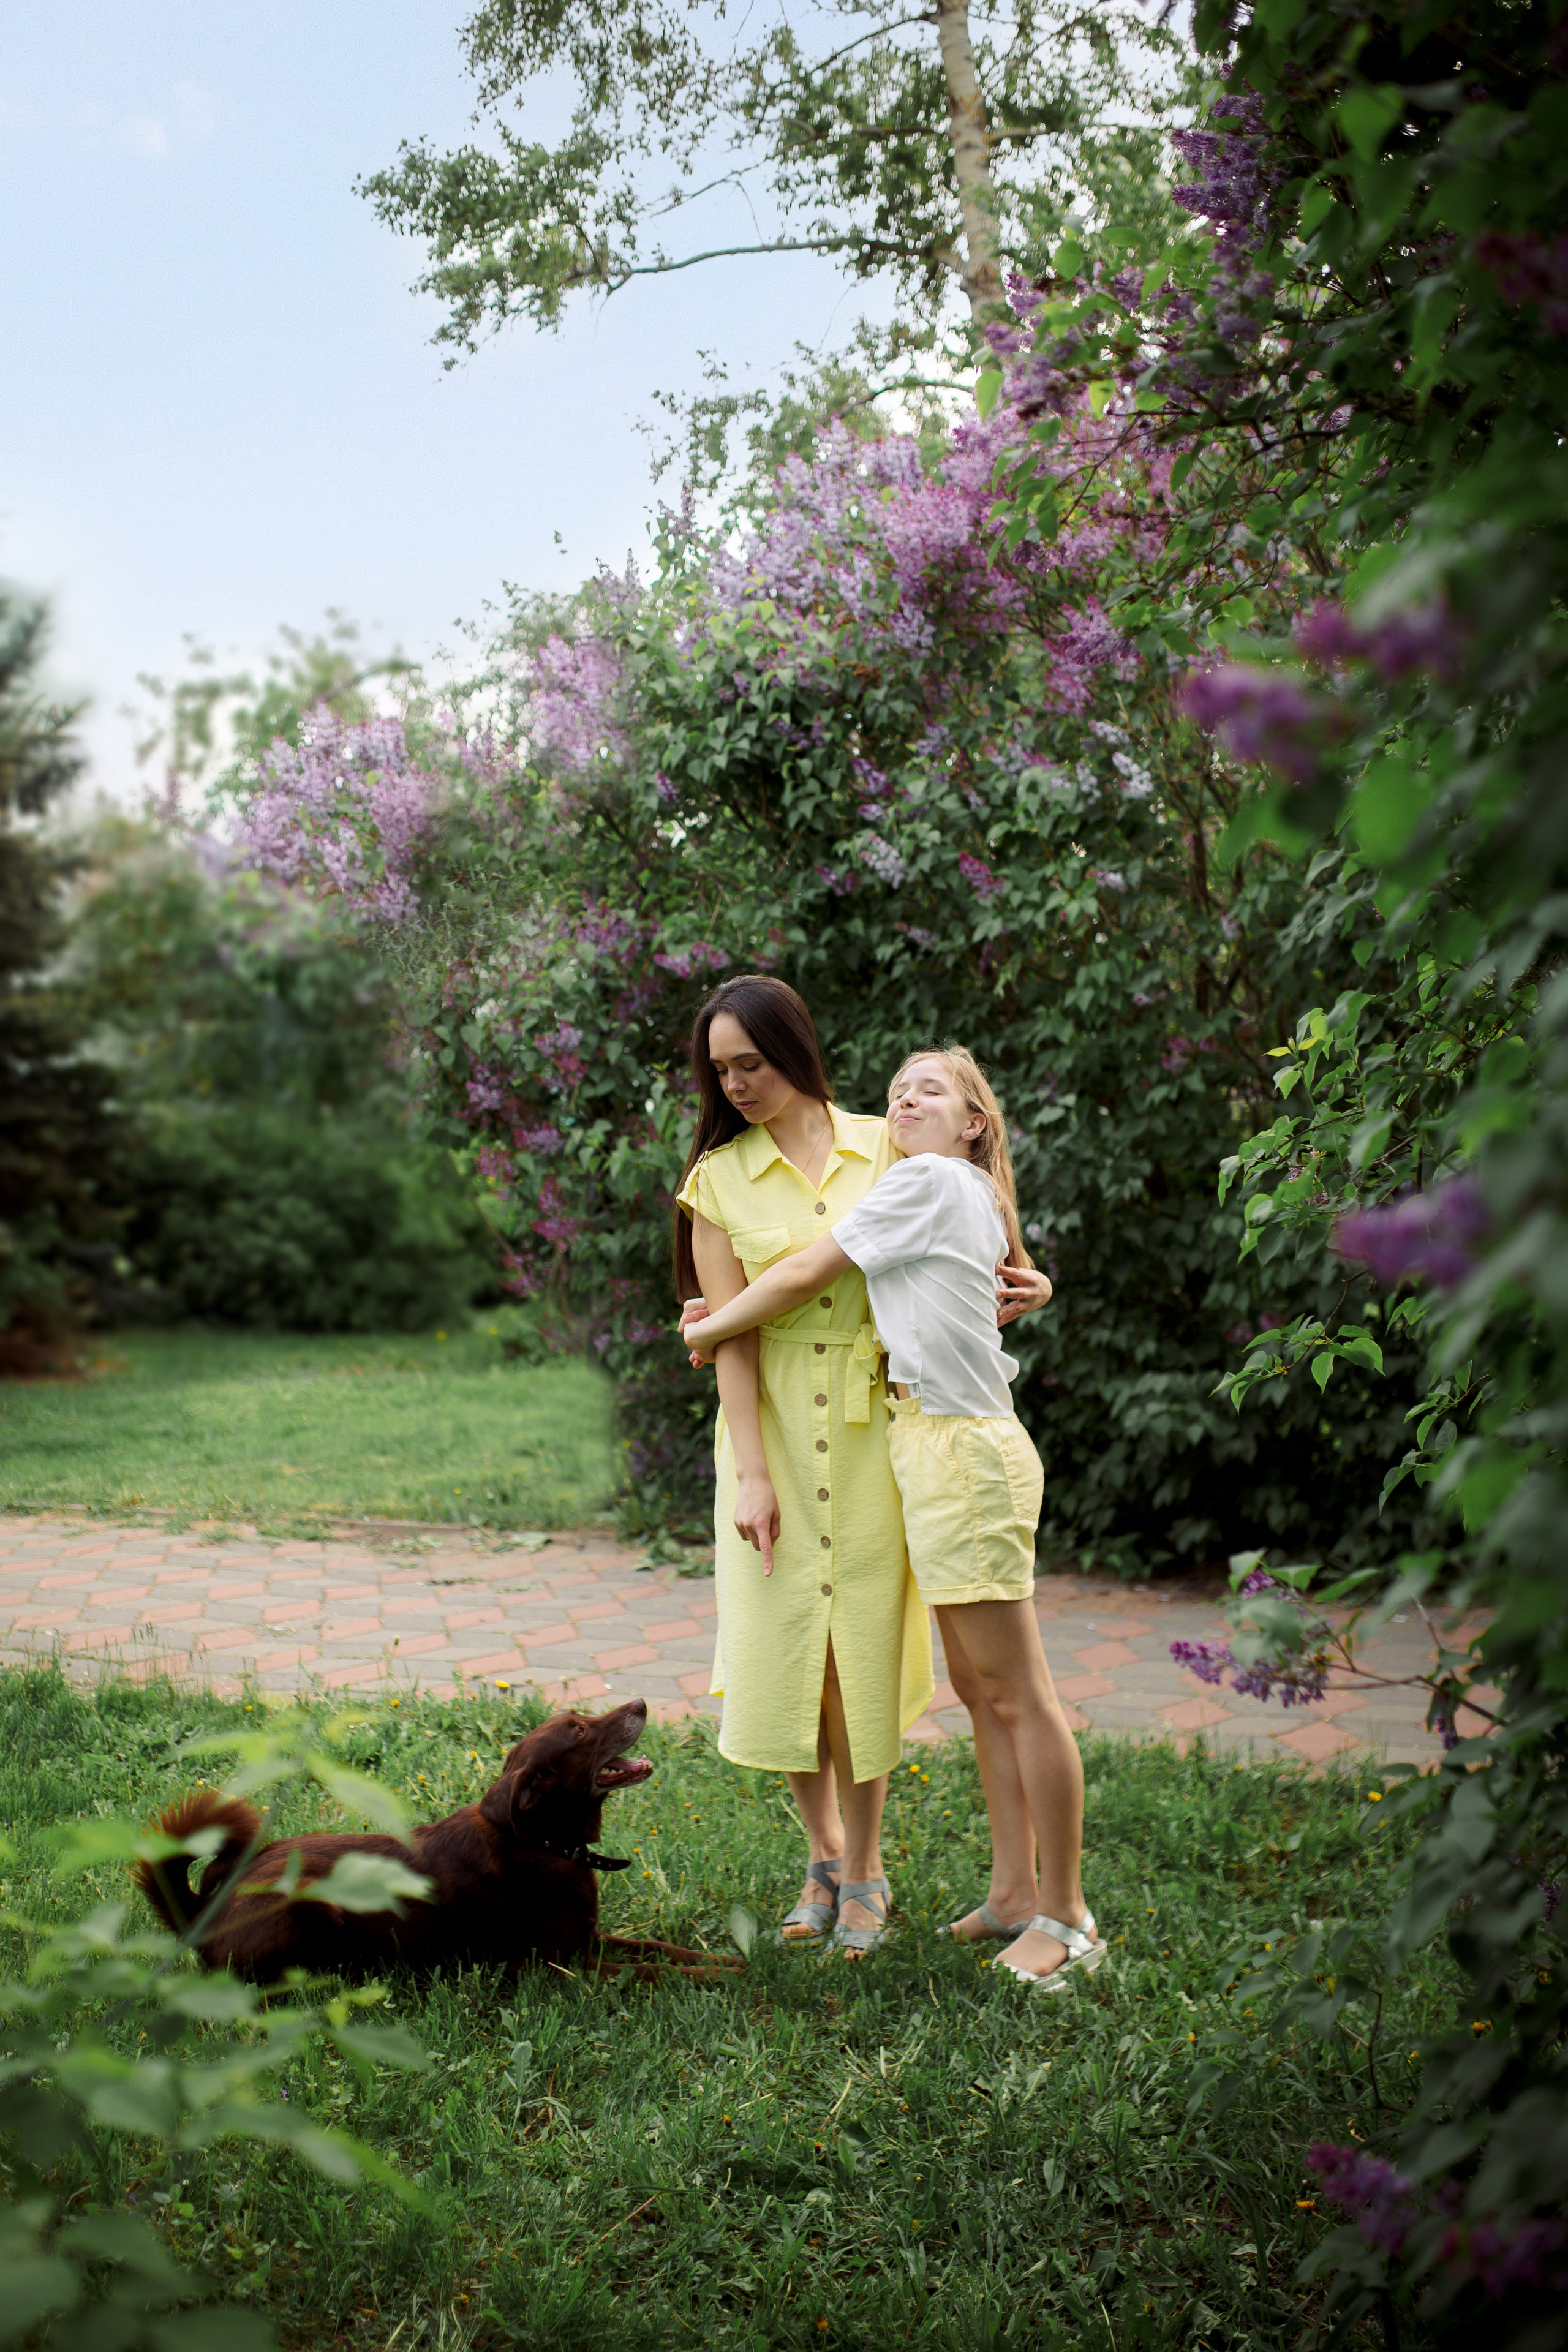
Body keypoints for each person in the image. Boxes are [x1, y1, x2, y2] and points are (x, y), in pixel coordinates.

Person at [682, 1043, 1104, 1989]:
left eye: (931, 1089)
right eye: (898, 1089)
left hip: (960, 1451)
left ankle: (1067, 1915)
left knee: (1018, 1694)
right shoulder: (945, 1182)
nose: (905, 1100)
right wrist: (1029, 1279)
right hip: (925, 1442)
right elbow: (988, 1274)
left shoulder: (923, 1178)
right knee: (981, 1692)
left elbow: (804, 1272)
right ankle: (1012, 1895)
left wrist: (707, 1326)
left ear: (974, 1122)